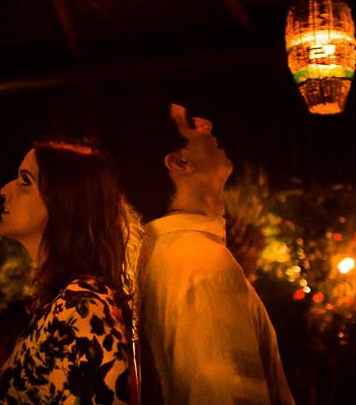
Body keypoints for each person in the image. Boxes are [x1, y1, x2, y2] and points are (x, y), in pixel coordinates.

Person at [117, 95, 294, 405]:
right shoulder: (201, 262)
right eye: (190, 124)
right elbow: (230, 393)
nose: (206, 123)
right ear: (179, 162)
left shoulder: (164, 251)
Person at [0, 139, 135, 405]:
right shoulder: (63, 297)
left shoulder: (84, 304)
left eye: (26, 181)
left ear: (66, 202)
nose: (4, 190)